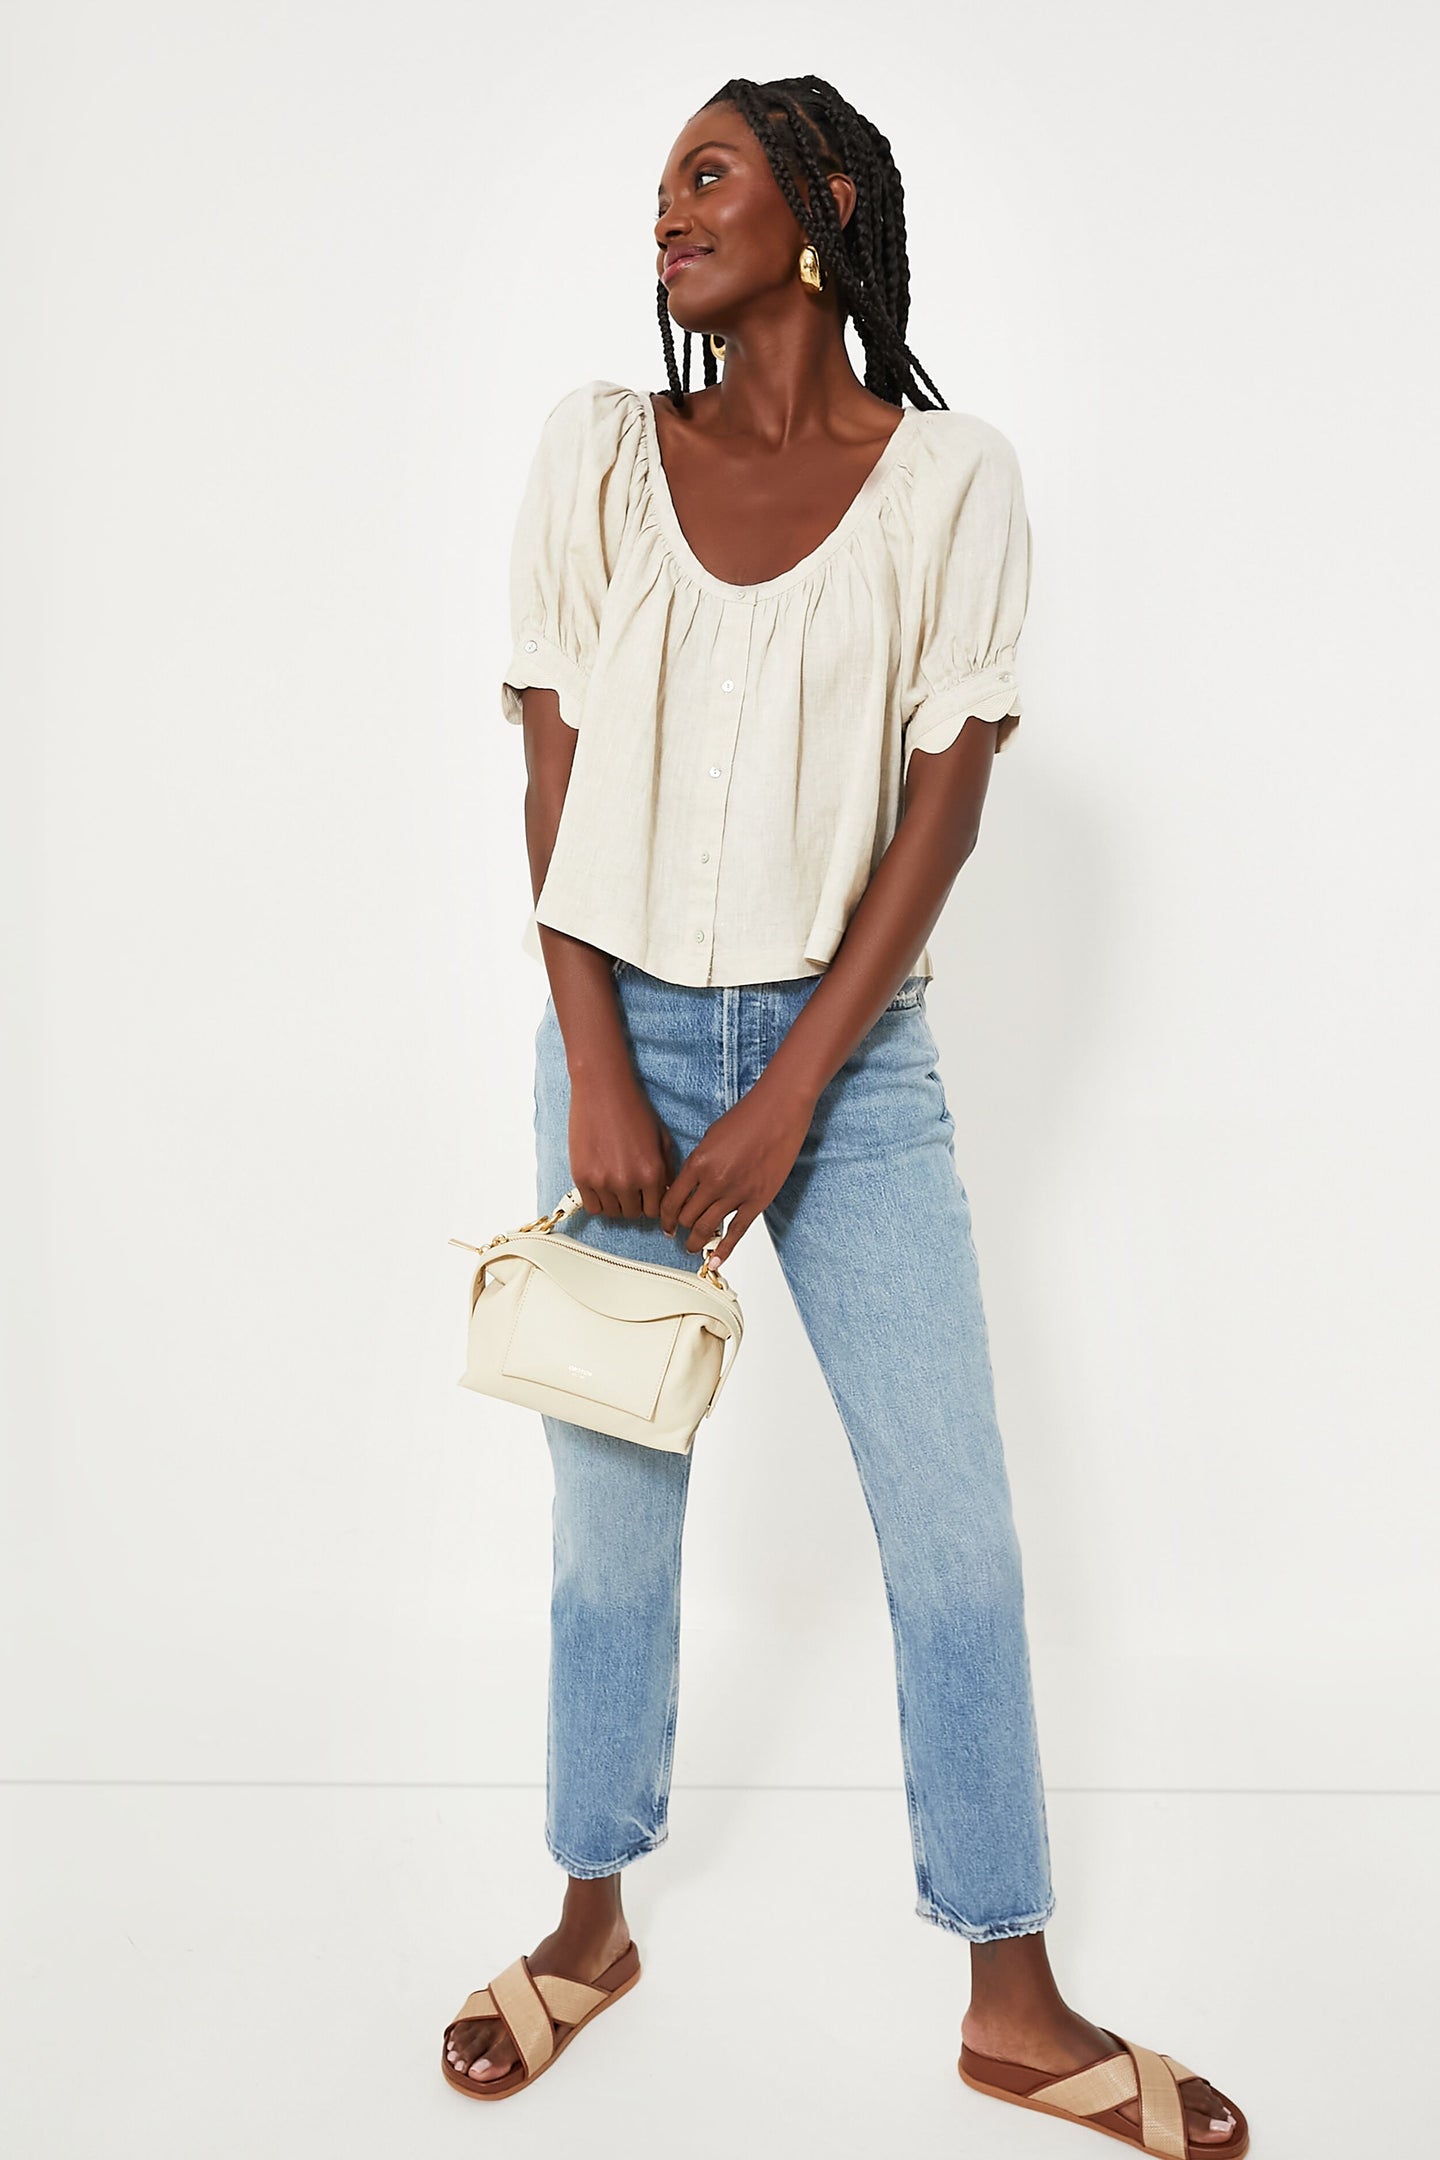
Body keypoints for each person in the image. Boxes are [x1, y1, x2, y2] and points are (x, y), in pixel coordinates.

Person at [440, 73, 1248, 2159]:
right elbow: (548, 764)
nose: (668, 212)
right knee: (609, 1537)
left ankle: (1011, 1994)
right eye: (659, 186)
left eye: (706, 175)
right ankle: (589, 1924)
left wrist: (794, 1091)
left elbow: (944, 809)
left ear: (823, 207)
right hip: (616, 1036)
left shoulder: (951, 482)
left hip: (854, 1066)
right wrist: (597, 1059)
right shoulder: (598, 453)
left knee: (955, 1532)